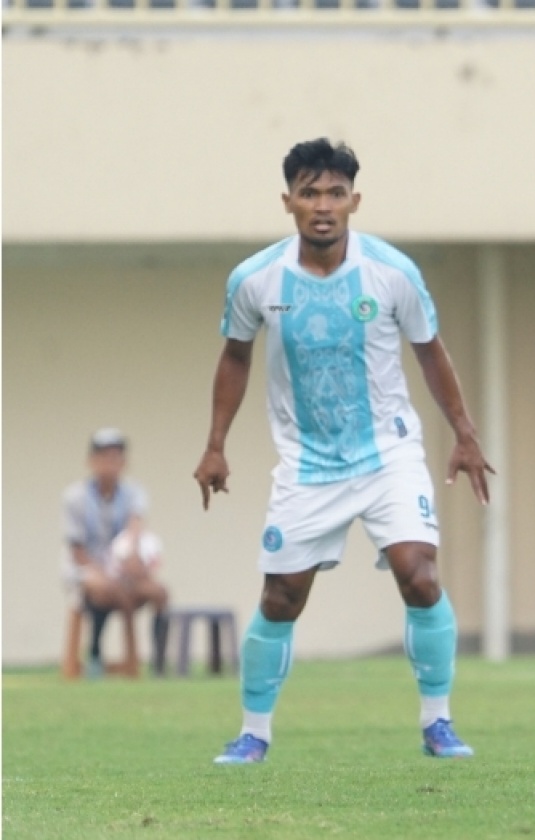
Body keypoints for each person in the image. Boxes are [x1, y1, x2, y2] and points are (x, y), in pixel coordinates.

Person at [194, 138, 494, 765]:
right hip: (307, 464)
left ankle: (438, 723)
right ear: (288, 202)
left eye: (334, 193)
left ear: (355, 200)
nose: (323, 206)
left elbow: (430, 351)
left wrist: (464, 433)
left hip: (388, 452)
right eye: (310, 193)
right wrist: (215, 444)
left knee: (420, 572)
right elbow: (235, 355)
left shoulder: (392, 272)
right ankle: (253, 732)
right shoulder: (256, 280)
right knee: (281, 596)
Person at [62, 427, 169, 677]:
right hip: (86, 570)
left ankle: (158, 662)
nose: (110, 464)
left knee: (160, 593)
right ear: (92, 461)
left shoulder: (133, 493)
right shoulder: (75, 497)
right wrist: (104, 574)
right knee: (106, 590)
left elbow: (135, 528)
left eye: (116, 458)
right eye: (104, 457)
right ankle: (96, 654)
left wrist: (133, 558)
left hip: (122, 571)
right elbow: (77, 550)